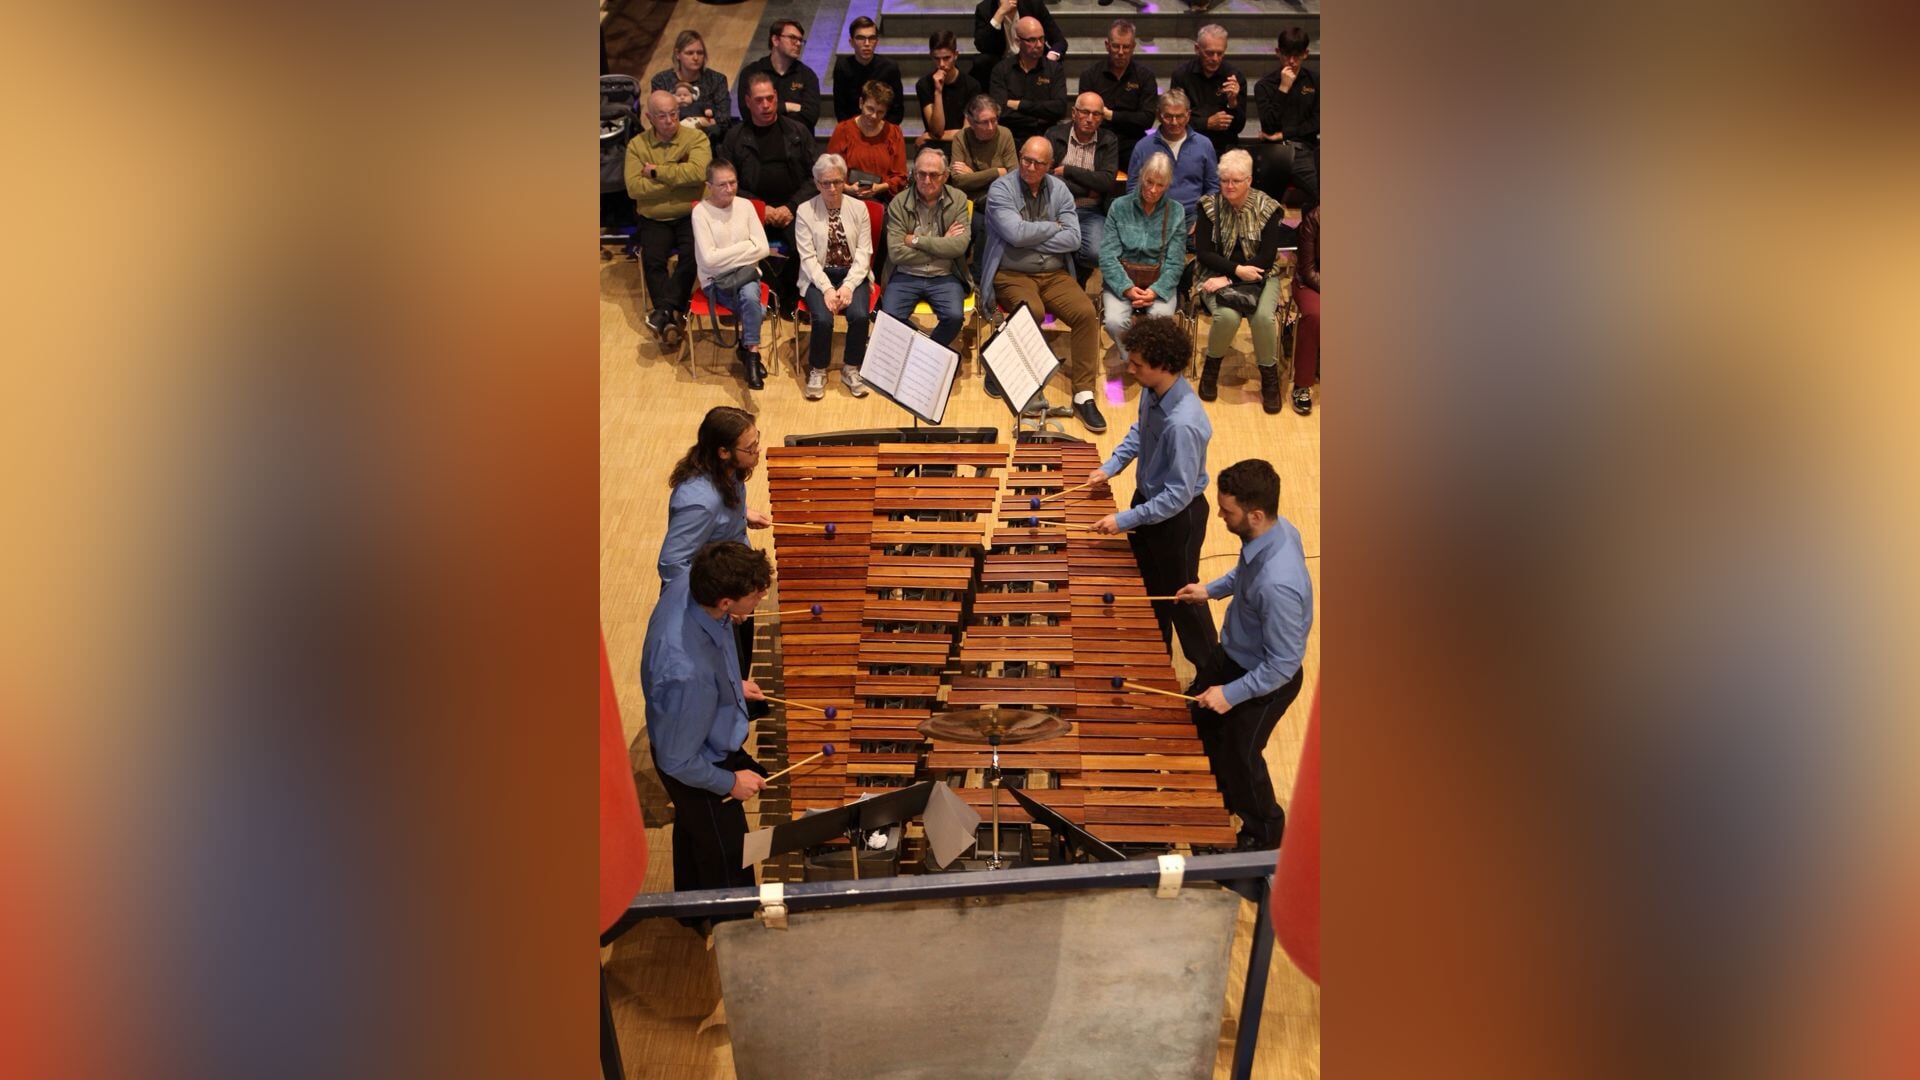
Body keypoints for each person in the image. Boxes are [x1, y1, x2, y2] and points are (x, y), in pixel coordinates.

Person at [1173, 459, 1312, 851]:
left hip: (1266, 682)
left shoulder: (1278, 585)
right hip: (1234, 655)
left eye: (1226, 510)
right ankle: (1219, 800)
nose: (1218, 515)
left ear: (1255, 513)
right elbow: (1243, 573)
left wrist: (1230, 694)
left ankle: (1264, 839)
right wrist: (1210, 590)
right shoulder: (1273, 532)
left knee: (1242, 758)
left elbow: (1283, 664)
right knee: (1199, 727)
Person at [640, 540, 775, 902]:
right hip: (697, 763)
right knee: (731, 859)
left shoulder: (691, 582)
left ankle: (692, 912)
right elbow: (677, 760)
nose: (762, 597)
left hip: (690, 728)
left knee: (693, 830)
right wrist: (728, 781)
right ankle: (732, 931)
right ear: (725, 602)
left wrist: (731, 681)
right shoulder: (688, 674)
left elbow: (713, 650)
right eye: (755, 594)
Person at [1088, 316, 1217, 668]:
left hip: (1179, 518)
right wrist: (1111, 466)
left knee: (1181, 597)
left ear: (1163, 365)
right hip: (1148, 503)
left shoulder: (1184, 424)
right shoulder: (1153, 390)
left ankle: (1211, 671)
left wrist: (1125, 519)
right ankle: (1156, 657)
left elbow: (1177, 496)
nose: (1129, 369)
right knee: (1149, 588)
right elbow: (1140, 431)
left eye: (1137, 364)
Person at [980, 137, 1106, 432]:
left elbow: (1074, 238)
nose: (1030, 167)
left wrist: (1030, 234)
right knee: (1031, 311)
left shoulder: (1059, 189)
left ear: (1050, 166)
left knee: (1086, 313)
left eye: (1038, 163)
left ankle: (1084, 394)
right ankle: (1023, 380)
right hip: (1012, 273)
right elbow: (1013, 234)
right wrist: (1052, 228)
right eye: (1026, 160)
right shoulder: (1001, 189)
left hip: (1054, 274)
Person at [659, 407, 773, 701]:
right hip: (713, 599)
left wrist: (742, 514)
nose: (757, 450)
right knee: (723, 675)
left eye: (755, 440)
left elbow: (717, 510)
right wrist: (716, 606)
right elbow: (672, 565)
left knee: (740, 661)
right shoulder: (698, 503)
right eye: (750, 448)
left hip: (734, 582)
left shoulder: (727, 472)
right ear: (723, 451)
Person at [1194, 149, 1288, 412]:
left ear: (1249, 180)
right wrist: (1234, 272)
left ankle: (1269, 380)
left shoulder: (1267, 207)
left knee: (1262, 319)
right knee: (1228, 317)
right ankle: (1210, 371)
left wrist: (1235, 274)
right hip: (1214, 276)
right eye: (1224, 180)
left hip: (1261, 276)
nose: (1229, 186)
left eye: (1236, 180)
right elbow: (1203, 253)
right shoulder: (1208, 206)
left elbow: (1268, 257)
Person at [721, 73, 819, 318]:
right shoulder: (735, 137)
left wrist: (791, 206)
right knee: (742, 250)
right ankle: (764, 297)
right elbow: (728, 184)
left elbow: (813, 177)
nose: (765, 105)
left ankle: (788, 298)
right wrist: (760, 208)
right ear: (747, 101)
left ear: (776, 98)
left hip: (792, 209)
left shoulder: (798, 131)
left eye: (769, 98)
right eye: (759, 100)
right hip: (750, 212)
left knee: (806, 247)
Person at [626, 91, 713, 350]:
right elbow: (633, 188)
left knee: (693, 254)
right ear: (649, 117)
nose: (669, 121)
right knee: (653, 260)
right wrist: (676, 181)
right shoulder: (637, 146)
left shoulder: (696, 138)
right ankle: (671, 314)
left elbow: (698, 174)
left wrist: (656, 172)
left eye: (674, 114)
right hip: (654, 217)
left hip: (690, 212)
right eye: (662, 116)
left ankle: (663, 312)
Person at [795, 155, 875, 400]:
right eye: (825, 183)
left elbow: (864, 251)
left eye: (837, 182)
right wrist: (828, 289)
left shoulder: (859, 208)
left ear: (845, 181)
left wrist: (849, 285)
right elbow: (807, 258)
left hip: (853, 273)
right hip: (818, 275)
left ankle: (852, 367)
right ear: (817, 183)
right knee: (822, 318)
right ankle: (818, 369)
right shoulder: (805, 210)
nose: (832, 188)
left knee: (860, 315)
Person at [1097, 152, 1184, 367]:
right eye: (1149, 182)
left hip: (1159, 281)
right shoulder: (1119, 206)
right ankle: (1136, 361)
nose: (1153, 190)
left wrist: (1155, 291)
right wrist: (1126, 288)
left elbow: (1175, 262)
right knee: (1114, 322)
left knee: (1160, 323)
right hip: (1122, 280)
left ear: (1167, 185)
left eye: (1160, 185)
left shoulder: (1176, 211)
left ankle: (1145, 364)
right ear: (1141, 176)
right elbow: (1107, 255)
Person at [691, 159, 772, 390]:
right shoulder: (701, 212)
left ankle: (751, 356)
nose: (729, 189)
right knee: (755, 307)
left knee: (748, 296)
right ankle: (750, 356)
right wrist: (747, 247)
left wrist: (724, 255)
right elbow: (709, 260)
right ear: (709, 186)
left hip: (747, 275)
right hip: (716, 280)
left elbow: (764, 249)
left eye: (733, 182)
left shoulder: (746, 206)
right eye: (722, 185)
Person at [880, 148, 973, 348]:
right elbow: (896, 253)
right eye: (921, 174)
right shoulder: (899, 203)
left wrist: (916, 241)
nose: (927, 180)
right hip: (905, 274)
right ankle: (926, 351)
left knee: (954, 318)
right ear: (914, 174)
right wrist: (942, 244)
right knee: (888, 318)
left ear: (945, 176)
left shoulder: (957, 199)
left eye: (934, 175)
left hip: (945, 275)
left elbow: (959, 246)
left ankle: (925, 351)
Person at [1046, 91, 1119, 283]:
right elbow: (1047, 177)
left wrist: (1068, 171)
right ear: (1074, 113)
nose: (1090, 119)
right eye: (1085, 112)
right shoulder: (1054, 135)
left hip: (1090, 211)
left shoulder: (1108, 140)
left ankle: (1074, 279)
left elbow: (1106, 182)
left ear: (1102, 118)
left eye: (1096, 114)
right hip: (1056, 210)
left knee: (1095, 254)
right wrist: (1088, 188)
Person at [1127, 89, 1218, 226]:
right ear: (1159, 115)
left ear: (1188, 115)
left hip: (1193, 217)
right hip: (1154, 216)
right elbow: (1133, 189)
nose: (1174, 122)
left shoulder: (1204, 144)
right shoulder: (1143, 146)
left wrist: (1204, 220)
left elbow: (1213, 188)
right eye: (1168, 116)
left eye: (1179, 116)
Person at [1078, 19, 1159, 171]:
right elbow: (1084, 115)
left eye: (1126, 47)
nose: (1121, 52)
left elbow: (1147, 119)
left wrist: (1112, 115)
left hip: (1131, 141)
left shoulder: (1145, 76)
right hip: (1097, 140)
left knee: (1150, 169)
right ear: (1107, 45)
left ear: (1133, 47)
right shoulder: (1090, 75)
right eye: (1116, 46)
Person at [1252, 27, 1320, 208]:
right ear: (1277, 53)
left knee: (1321, 193)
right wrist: (1283, 88)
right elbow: (1269, 125)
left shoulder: (1316, 82)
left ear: (1306, 54)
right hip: (1273, 151)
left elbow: (1318, 122)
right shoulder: (1264, 85)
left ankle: (1309, 233)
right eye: (1286, 55)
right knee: (1260, 204)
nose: (1291, 61)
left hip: (1304, 149)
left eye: (1297, 56)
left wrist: (1285, 134)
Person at [990, 17, 1068, 146]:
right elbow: (1000, 112)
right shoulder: (1001, 70)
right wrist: (1038, 117)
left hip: (1045, 136)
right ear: (1017, 41)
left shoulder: (1054, 69)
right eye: (1032, 40)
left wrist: (1020, 105)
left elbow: (1059, 108)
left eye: (1042, 39)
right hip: (1011, 137)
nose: (1038, 45)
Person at [1171, 24, 1248, 157]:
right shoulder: (1182, 75)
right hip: (1189, 144)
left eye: (1220, 53)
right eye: (1209, 53)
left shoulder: (1234, 76)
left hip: (1224, 147)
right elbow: (1175, 120)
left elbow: (1238, 127)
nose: (1215, 59)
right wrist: (1206, 123)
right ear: (1197, 49)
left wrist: (1233, 102)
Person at [826, 82, 908, 201]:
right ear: (861, 103)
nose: (874, 116)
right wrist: (848, 188)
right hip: (847, 197)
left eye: (880, 112)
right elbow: (830, 170)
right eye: (870, 109)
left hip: (882, 198)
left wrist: (879, 188)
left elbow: (900, 176)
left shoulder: (894, 132)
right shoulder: (843, 130)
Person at [736, 20, 821, 133]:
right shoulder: (752, 72)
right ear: (775, 40)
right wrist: (788, 106)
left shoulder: (807, 75)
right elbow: (747, 113)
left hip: (796, 140)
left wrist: (771, 111)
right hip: (760, 138)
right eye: (792, 38)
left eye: (800, 40)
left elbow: (810, 116)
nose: (798, 44)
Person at [650, 30, 730, 138]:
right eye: (689, 53)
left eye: (700, 53)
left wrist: (696, 122)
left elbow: (724, 118)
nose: (696, 58)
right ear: (678, 54)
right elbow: (658, 119)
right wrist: (707, 121)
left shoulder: (717, 80)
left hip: (710, 139)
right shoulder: (661, 81)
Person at [971, 0, 1065, 88]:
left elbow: (1059, 40)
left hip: (1032, 58)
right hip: (1002, 62)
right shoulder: (984, 9)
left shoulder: (1033, 4)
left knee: (1053, 64)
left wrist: (1050, 58)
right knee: (981, 62)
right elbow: (981, 45)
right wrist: (999, 14)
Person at [915, 31, 982, 150]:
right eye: (937, 59)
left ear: (956, 55)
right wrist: (938, 92)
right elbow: (937, 130)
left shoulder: (972, 85)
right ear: (931, 56)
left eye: (946, 58)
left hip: (963, 145)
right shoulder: (924, 85)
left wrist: (929, 136)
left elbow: (966, 132)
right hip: (935, 145)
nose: (941, 64)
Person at [832, 17, 904, 125]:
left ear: (877, 41)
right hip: (853, 128)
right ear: (851, 42)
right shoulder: (842, 67)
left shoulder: (890, 68)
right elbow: (840, 109)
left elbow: (897, 109)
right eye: (861, 38)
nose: (867, 43)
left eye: (872, 38)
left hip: (883, 127)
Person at [949, 95, 1017, 202]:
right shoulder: (961, 137)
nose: (991, 127)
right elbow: (957, 181)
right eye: (985, 122)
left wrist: (973, 176)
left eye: (993, 120)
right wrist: (997, 172)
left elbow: (1013, 176)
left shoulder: (1004, 134)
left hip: (1000, 198)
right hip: (970, 201)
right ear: (971, 122)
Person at [1290, 204, 1319, 415]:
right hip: (1312, 282)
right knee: (1316, 316)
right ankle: (1302, 383)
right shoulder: (1315, 218)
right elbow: (1308, 270)